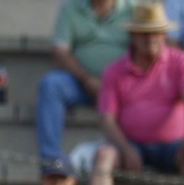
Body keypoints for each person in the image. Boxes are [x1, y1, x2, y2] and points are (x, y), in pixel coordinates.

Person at [90, 2, 184, 185]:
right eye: (145, 33)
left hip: (173, 146)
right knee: (103, 155)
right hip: (130, 144)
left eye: (156, 32)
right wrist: (125, 148)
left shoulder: (182, 61)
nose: (151, 38)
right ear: (133, 35)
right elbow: (106, 118)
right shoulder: (114, 70)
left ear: (164, 34)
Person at [36, 0, 133, 163]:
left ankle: (142, 154)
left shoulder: (133, 8)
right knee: (51, 85)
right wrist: (86, 80)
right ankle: (51, 161)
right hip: (81, 83)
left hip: (123, 85)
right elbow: (60, 52)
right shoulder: (70, 8)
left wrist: (113, 86)